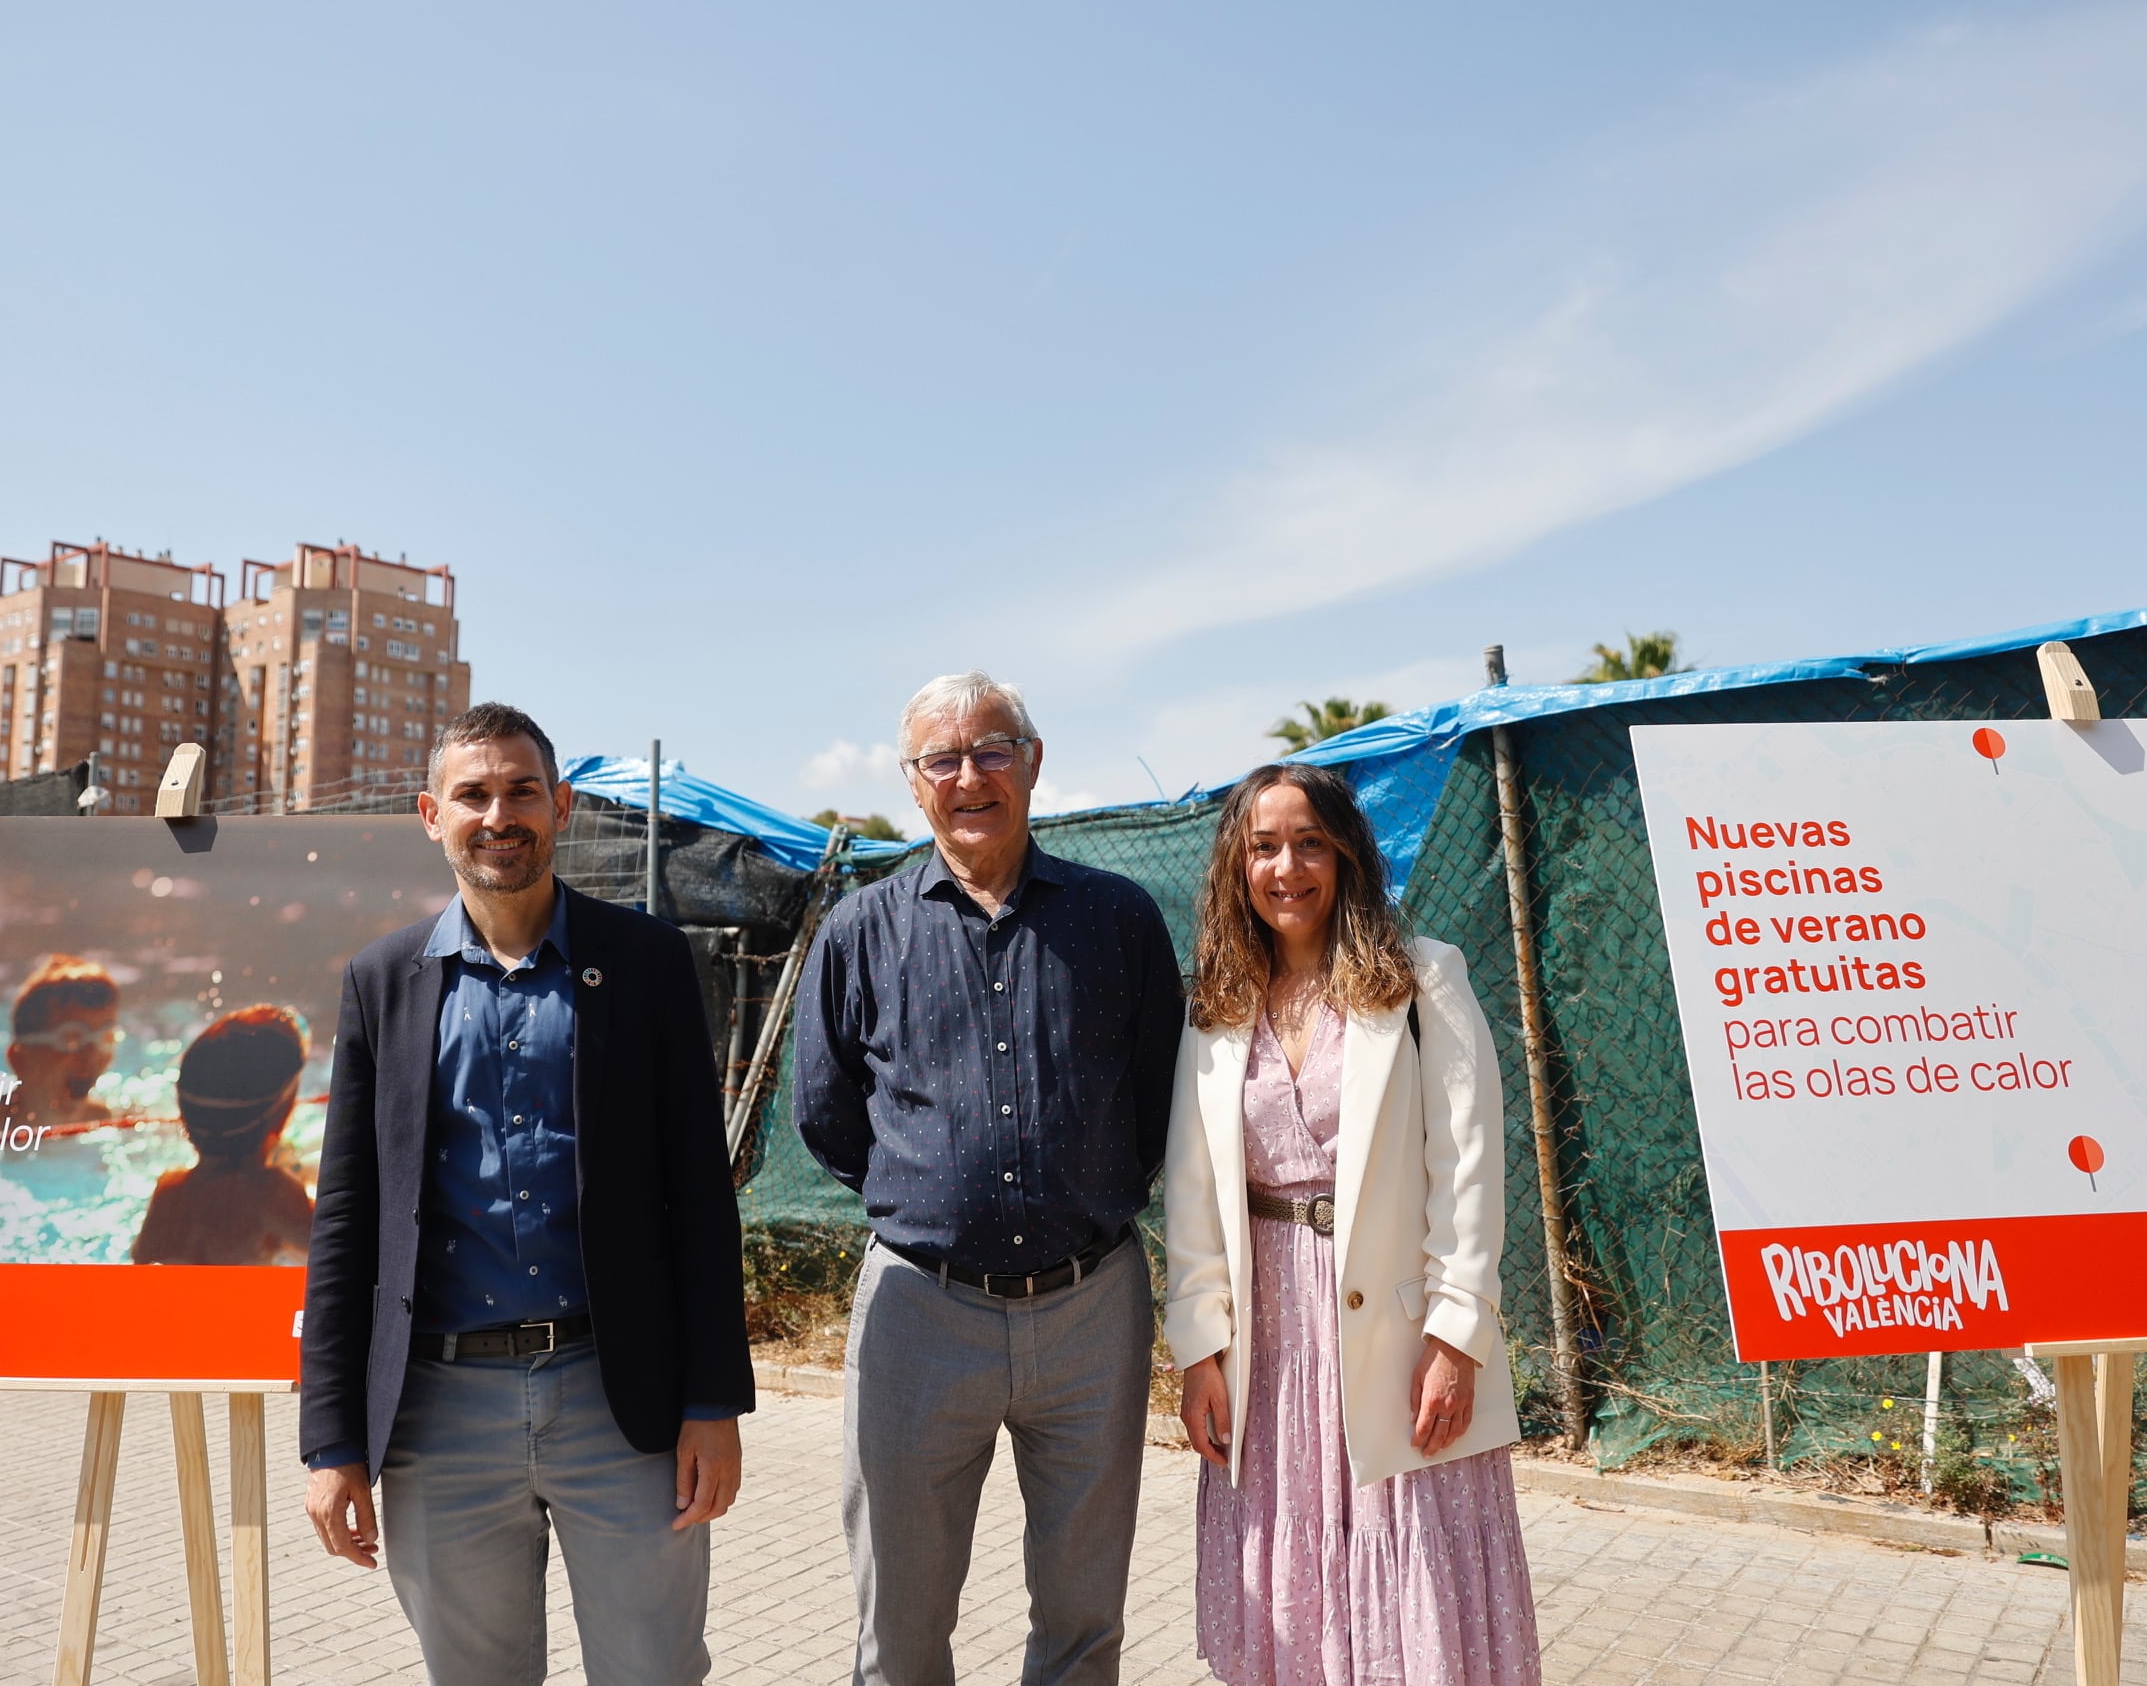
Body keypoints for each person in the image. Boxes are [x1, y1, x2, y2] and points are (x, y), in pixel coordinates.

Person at [299, 702, 753, 1686]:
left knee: (654, 1672)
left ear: (564, 808)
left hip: (619, 1399)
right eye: (473, 794)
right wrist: (330, 1442)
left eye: (521, 791)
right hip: (437, 1414)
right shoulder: (383, 981)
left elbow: (699, 1196)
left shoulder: (644, 964)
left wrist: (713, 1401)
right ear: (431, 814)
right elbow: (347, 1223)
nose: (498, 814)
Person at [796, 671, 1185, 1686]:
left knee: (1083, 1620)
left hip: (1093, 1309)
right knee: (902, 1629)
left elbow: (1159, 1100)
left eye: (993, 750)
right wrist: (930, 1199)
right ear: (913, 783)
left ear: (1033, 762)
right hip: (918, 1314)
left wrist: (1082, 1195)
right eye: (943, 759)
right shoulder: (858, 933)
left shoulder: (1119, 920)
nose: (970, 776)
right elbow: (827, 1115)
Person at [1165, 762, 1542, 1686]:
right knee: (1293, 1592)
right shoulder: (1218, 1000)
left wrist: (1458, 1337)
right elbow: (1193, 1186)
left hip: (1397, 1337)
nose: (1286, 867)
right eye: (1262, 847)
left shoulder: (1422, 977)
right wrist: (1199, 1347)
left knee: (1410, 1570)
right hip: (1270, 1340)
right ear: (1235, 866)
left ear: (1346, 855)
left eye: (1309, 843)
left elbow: (1469, 1167)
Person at [131, 1004, 315, 1265]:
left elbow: (141, 1263)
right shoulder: (271, 1192)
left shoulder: (168, 1192)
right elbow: (348, 1250)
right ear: (282, 1112)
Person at [0, 954, 123, 1131]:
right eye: (71, 1039)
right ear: (19, 1059)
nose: (91, 1055)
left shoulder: (115, 1123)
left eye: (105, 1037)